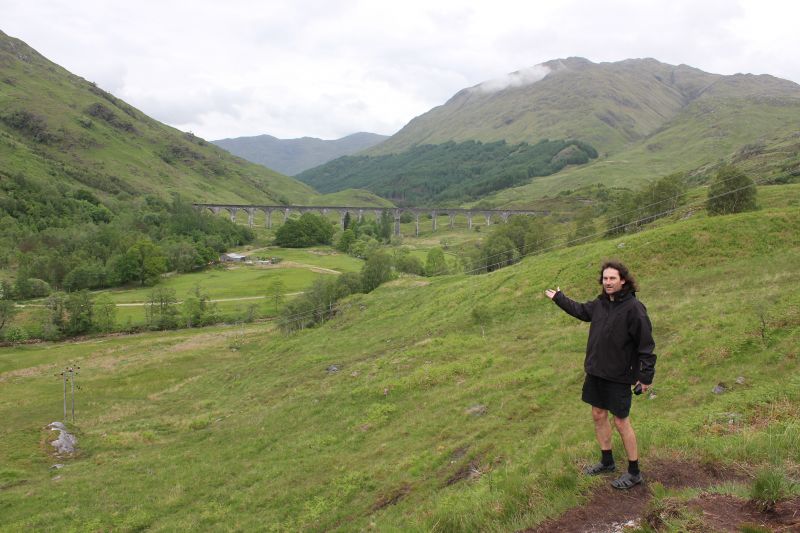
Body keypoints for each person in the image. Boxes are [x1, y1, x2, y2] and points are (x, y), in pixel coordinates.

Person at [544, 260, 656, 489]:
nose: (608, 282)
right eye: (605, 278)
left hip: (619, 375)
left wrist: (645, 378)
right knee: (597, 414)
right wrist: (559, 298)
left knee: (621, 421)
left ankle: (634, 473)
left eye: (612, 278)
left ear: (623, 280)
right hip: (596, 372)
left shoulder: (634, 308)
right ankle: (607, 462)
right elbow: (582, 311)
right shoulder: (601, 304)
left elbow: (646, 345)